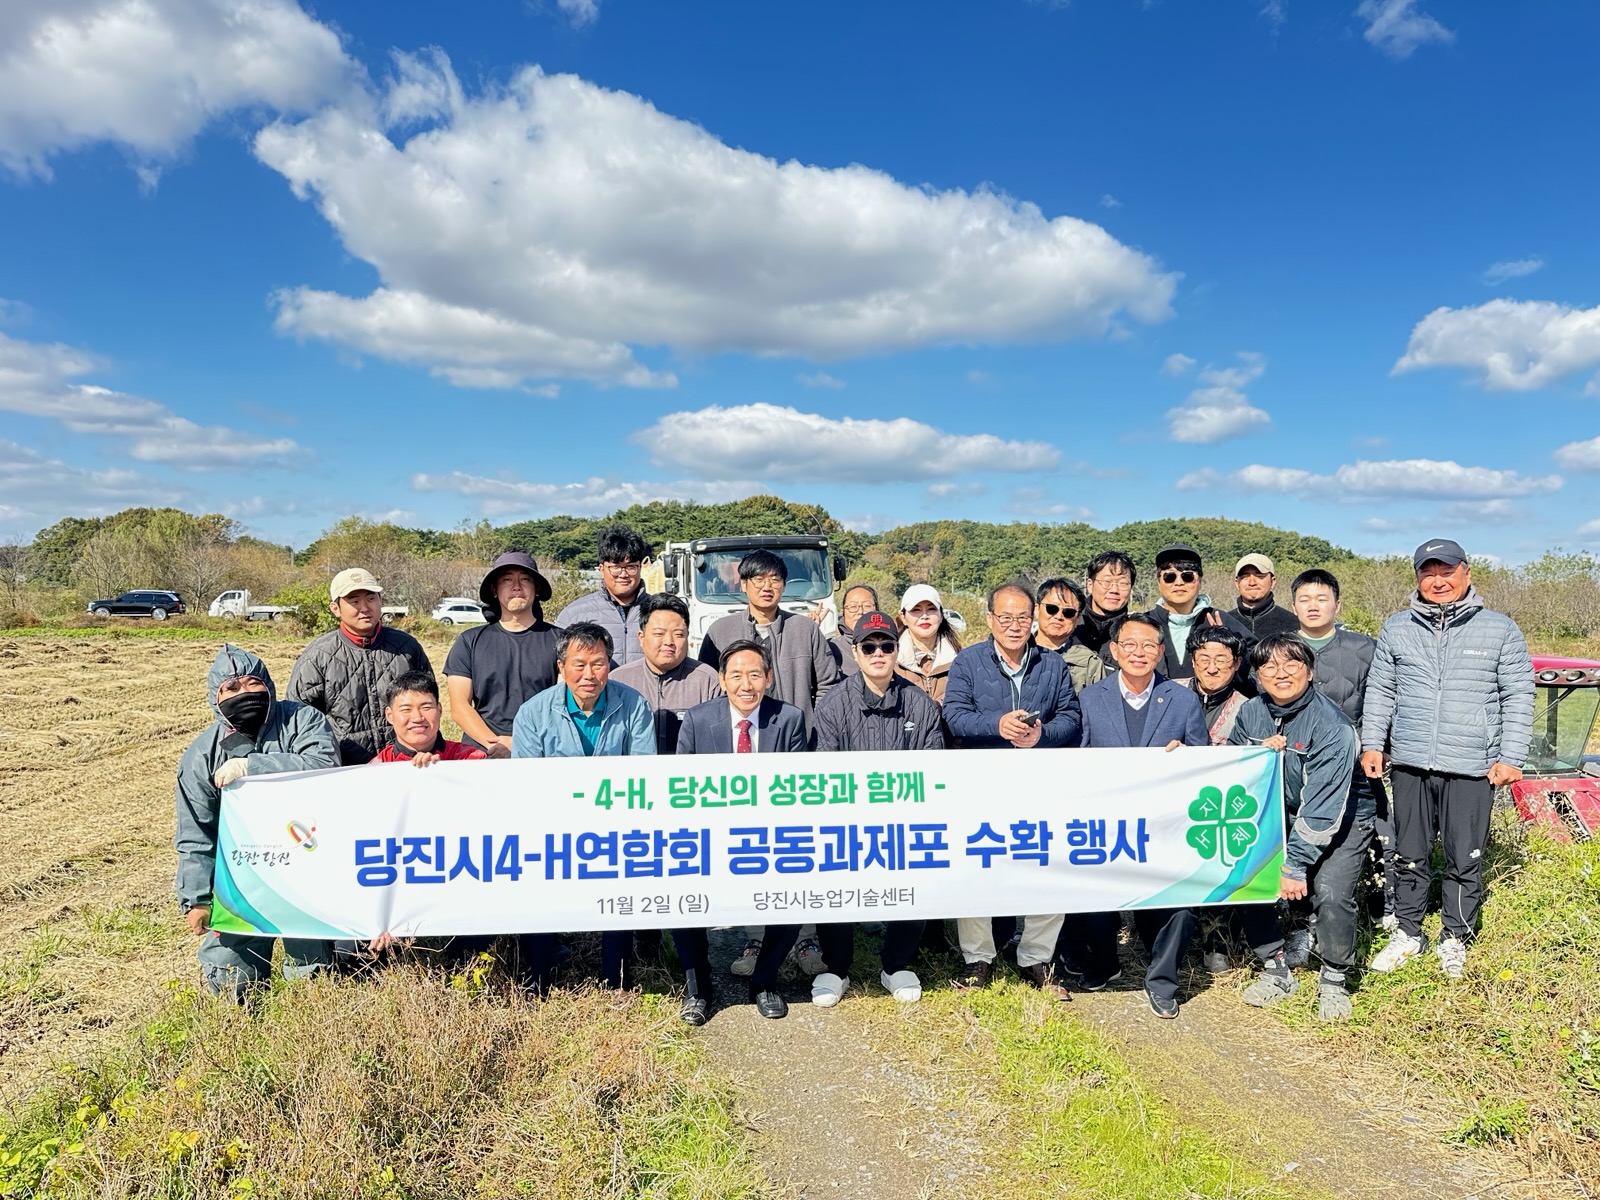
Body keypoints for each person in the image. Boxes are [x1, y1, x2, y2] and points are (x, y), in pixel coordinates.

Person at [1361, 539, 1534, 980]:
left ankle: (1455, 936)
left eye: (1447, 571)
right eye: (1428, 572)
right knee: (1410, 854)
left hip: (1472, 763)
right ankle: (1409, 932)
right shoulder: (1397, 628)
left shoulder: (1499, 628)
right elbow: (1381, 690)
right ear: (1418, 577)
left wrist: (1511, 755)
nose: (1438, 580)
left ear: (1466, 573)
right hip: (1411, 761)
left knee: (1464, 856)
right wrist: (1373, 743)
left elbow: (1518, 694)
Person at [175, 645, 339, 999]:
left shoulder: (302, 720)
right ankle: (243, 1033)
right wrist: (197, 899)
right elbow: (196, 833)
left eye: (252, 683)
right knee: (233, 973)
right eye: (231, 689)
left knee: (311, 972)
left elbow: (324, 764)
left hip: (304, 868)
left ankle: (309, 1031)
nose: (244, 694)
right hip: (239, 876)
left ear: (268, 685)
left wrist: (255, 768)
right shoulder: (201, 755)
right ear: (214, 698)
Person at [942, 582, 1081, 998]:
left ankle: (1035, 956)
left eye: (1023, 617)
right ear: (989, 619)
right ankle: (978, 958)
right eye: (1005, 617)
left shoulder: (1052, 666)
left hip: (1040, 782)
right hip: (982, 781)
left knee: (1047, 865)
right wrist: (996, 725)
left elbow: (1072, 717)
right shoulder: (968, 662)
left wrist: (1043, 736)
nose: (1015, 625)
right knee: (978, 864)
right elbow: (954, 717)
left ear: (1034, 618)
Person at [1070, 614, 1208, 1017]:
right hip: (1107, 821)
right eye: (1129, 644)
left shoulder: (1183, 699)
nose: (1139, 653)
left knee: (1182, 901)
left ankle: (1163, 980)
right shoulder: (1091, 698)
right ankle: (1105, 962)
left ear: (1161, 652)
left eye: (1149, 645)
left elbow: (1203, 764)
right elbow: (1077, 763)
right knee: (1088, 894)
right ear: (1113, 651)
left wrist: (1186, 759)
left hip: (1166, 822)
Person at [809, 611, 946, 1008]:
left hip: (905, 818)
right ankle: (836, 969)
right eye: (869, 646)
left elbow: (931, 767)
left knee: (918, 876)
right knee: (834, 884)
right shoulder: (833, 704)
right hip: (846, 819)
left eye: (887, 645)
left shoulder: (920, 705)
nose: (879, 653)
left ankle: (896, 964)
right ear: (855, 652)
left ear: (896, 649)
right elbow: (824, 770)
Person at [511, 623, 656, 994]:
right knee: (539, 894)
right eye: (579, 665)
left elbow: (642, 773)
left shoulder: (634, 705)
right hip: (553, 825)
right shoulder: (533, 713)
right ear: (561, 666)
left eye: (598, 664)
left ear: (610, 664)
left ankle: (617, 983)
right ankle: (539, 978)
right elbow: (526, 785)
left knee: (619, 896)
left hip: (616, 824)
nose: (589, 675)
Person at [1231, 635, 1366, 1020]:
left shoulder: (1332, 726)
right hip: (1279, 812)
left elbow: (1323, 807)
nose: (1281, 673)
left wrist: (1294, 865)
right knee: (1247, 875)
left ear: (1310, 671)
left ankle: (1335, 978)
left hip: (1342, 816)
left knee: (1331, 892)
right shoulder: (1251, 712)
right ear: (1257, 676)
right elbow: (1236, 767)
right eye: (1269, 667)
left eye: (1291, 665)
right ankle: (1276, 968)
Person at [677, 640, 810, 1020]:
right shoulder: (699, 720)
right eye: (736, 675)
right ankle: (698, 989)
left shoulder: (788, 719)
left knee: (791, 902)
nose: (746, 684)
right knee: (680, 902)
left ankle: (764, 981)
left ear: (768, 678)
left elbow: (799, 787)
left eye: (755, 674)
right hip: (708, 836)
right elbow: (680, 789)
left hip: (766, 838)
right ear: (722, 679)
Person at [1293, 568, 1395, 931]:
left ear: (1337, 604)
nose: (1313, 606)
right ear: (1293, 606)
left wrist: (1374, 746)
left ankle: (1384, 905)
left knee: (1379, 832)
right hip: (1299, 767)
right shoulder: (1283, 648)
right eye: (1304, 600)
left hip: (1357, 762)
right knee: (1304, 834)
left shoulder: (1364, 648)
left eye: (1322, 599)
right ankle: (1304, 921)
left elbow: (1381, 702)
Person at [286, 568, 433, 764]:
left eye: (371, 599)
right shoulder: (317, 656)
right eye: (354, 601)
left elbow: (429, 704)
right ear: (335, 608)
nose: (364, 607)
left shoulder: (406, 647)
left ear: (381, 601)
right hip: (344, 769)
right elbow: (299, 719)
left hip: (406, 764)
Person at [698, 550, 841, 734]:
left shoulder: (805, 629)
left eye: (774, 579)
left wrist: (815, 729)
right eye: (758, 579)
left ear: (783, 585)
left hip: (795, 739)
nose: (767, 586)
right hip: (738, 738)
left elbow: (828, 685)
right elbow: (708, 687)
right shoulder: (720, 631)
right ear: (743, 584)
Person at [444, 552, 561, 757]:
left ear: (537, 589)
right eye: (507, 579)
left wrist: (523, 744)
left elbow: (564, 704)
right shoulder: (469, 641)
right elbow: (460, 707)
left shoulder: (560, 640)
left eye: (525, 579)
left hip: (542, 750)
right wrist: (495, 744)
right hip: (482, 750)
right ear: (494, 590)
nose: (516, 586)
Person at [611, 592, 724, 755]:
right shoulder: (618, 680)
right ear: (641, 638)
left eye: (678, 634)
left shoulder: (707, 681)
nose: (669, 642)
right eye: (659, 634)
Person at [1140, 545, 1247, 684]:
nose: (1179, 583)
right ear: (1159, 583)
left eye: (1187, 576)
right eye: (1169, 577)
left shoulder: (1220, 620)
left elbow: (1254, 667)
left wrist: (1229, 645)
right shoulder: (1143, 624)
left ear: (1200, 581)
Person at [553, 525, 650, 666]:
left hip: (645, 688)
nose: (623, 574)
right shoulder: (574, 614)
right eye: (615, 567)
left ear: (640, 567)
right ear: (601, 569)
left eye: (630, 567)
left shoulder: (658, 610)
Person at [373, 672, 487, 764]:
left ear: (439, 710)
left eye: (426, 707)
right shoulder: (376, 768)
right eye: (406, 709)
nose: (417, 718)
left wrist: (444, 772)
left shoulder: (470, 760)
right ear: (390, 715)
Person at [1033, 577, 1109, 694]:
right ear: (1037, 610)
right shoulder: (1016, 653)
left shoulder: (1090, 664)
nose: (1059, 617)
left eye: (1068, 612)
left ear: (1077, 618)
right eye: (1052, 609)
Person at [896, 583, 962, 706]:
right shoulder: (891, 661)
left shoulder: (961, 660)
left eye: (931, 609)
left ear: (941, 615)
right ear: (903, 617)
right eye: (916, 610)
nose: (924, 616)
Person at [1189, 625, 1250, 744]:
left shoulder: (1247, 709)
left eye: (1221, 661)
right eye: (1204, 660)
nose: (1212, 669)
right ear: (1193, 661)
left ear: (1237, 663)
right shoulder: (1170, 694)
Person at [1077, 551, 1136, 655]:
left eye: (1123, 583)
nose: (1114, 590)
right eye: (1106, 582)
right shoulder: (1070, 625)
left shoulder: (1137, 633)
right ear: (1090, 585)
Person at [1229, 554, 1300, 639]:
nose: (1252, 583)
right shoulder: (1224, 622)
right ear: (1237, 583)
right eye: (1245, 577)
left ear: (1272, 581)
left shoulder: (1294, 624)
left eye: (1260, 576)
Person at [824, 584, 881, 677]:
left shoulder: (889, 647)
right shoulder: (830, 648)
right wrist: (810, 631)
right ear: (843, 613)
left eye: (867, 606)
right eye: (853, 607)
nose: (860, 612)